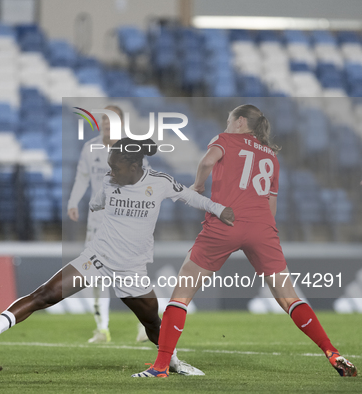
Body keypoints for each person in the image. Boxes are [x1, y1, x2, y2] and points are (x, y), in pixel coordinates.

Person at [0, 138, 234, 375]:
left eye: (116, 167)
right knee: (43, 295)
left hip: (132, 269)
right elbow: (98, 199)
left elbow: (191, 198)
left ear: (134, 167)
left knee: (153, 322)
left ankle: (173, 362)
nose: (110, 171)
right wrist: (96, 204)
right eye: (109, 165)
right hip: (97, 258)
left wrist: (219, 209)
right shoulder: (110, 181)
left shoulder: (160, 182)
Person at [133, 104, 357, 378]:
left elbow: (206, 162)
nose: (227, 125)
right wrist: (261, 231)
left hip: (225, 221)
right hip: (262, 227)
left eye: (229, 121)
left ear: (240, 122)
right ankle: (331, 351)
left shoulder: (225, 139)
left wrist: (200, 186)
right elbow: (272, 204)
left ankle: (160, 367)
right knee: (289, 298)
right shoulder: (272, 157)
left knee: (182, 294)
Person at [67, 105, 149, 344]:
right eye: (103, 119)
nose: (105, 123)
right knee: (96, 275)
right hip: (97, 222)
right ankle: (102, 329)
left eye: (110, 120)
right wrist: (73, 201)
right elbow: (82, 177)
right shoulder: (90, 148)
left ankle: (145, 325)